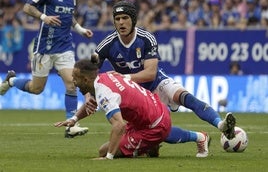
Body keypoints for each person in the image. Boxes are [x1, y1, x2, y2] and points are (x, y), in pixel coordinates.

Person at [94, 1, 236, 143]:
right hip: (136, 95)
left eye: (125, 18)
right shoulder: (107, 44)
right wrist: (89, 96)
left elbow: (150, 73)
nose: (121, 22)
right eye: (117, 19)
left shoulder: (146, 39)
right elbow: (89, 71)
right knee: (160, 132)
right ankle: (200, 137)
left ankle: (221, 124)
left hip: (156, 83)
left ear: (133, 19)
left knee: (185, 97)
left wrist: (123, 77)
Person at [54, 57, 211, 159]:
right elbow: (92, 103)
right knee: (153, 143)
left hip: (154, 123)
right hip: (155, 110)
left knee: (103, 150)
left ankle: (151, 143)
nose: (73, 82)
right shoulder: (106, 76)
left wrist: (108, 157)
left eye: (75, 78)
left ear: (87, 79)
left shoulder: (104, 92)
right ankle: (196, 137)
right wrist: (74, 119)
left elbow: (119, 125)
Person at [0, 0, 93, 138]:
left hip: (64, 46)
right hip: (45, 47)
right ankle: (11, 81)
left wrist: (80, 29)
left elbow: (68, 15)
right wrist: (44, 17)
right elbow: (27, 7)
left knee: (72, 83)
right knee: (37, 89)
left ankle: (71, 125)